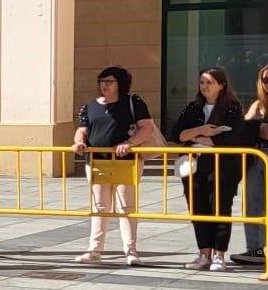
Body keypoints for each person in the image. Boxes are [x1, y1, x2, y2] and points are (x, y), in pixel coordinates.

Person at [74, 65, 155, 266]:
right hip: (96, 162)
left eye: (109, 82)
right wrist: (79, 142)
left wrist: (129, 144)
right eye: (101, 81)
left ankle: (130, 250)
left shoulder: (132, 102)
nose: (104, 85)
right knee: (100, 206)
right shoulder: (90, 106)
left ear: (120, 84)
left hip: (125, 162)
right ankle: (94, 249)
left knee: (126, 206)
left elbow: (147, 128)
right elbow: (82, 130)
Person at [169, 66, 247, 272]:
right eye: (202, 82)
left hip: (222, 165)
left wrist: (193, 136)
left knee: (220, 207)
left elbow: (229, 139)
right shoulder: (193, 107)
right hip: (191, 164)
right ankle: (204, 253)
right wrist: (201, 131)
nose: (204, 86)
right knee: (197, 207)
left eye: (209, 82)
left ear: (221, 85)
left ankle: (219, 255)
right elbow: (176, 134)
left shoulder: (232, 107)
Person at [232, 63, 268, 267]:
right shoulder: (258, 104)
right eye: (265, 79)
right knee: (252, 202)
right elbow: (243, 127)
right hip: (255, 154)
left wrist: (254, 125)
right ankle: (255, 248)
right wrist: (256, 126)